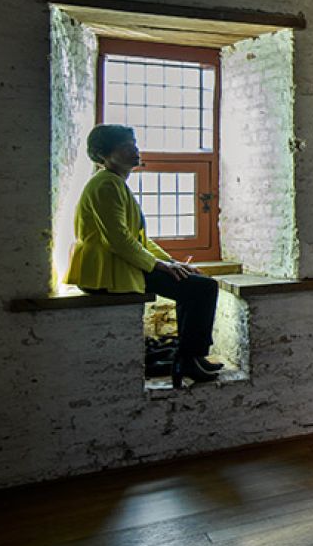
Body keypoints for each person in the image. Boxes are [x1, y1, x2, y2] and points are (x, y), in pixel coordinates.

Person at [66, 125, 220, 386]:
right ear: (104, 155)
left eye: (134, 144)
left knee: (195, 287)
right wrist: (159, 265)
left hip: (121, 265)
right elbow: (119, 241)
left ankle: (190, 356)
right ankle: (189, 358)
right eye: (126, 146)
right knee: (202, 289)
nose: (134, 150)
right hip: (109, 272)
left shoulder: (115, 183)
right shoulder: (105, 185)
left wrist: (172, 263)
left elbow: (139, 239)